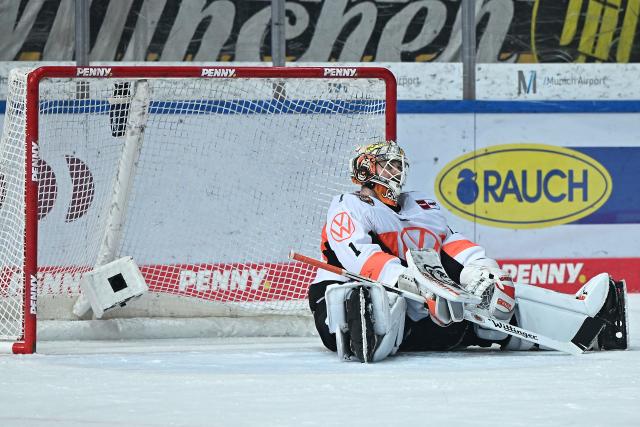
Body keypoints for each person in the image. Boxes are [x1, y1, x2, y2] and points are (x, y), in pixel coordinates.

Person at [307, 140, 627, 363]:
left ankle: (587, 325)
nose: (396, 171)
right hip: (355, 289)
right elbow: (361, 259)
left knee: (489, 308)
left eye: (398, 165)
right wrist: (416, 286)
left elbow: (451, 244)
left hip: (427, 297)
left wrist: (485, 273)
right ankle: (367, 333)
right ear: (366, 169)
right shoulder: (349, 205)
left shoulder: (421, 204)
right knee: (379, 302)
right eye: (388, 164)